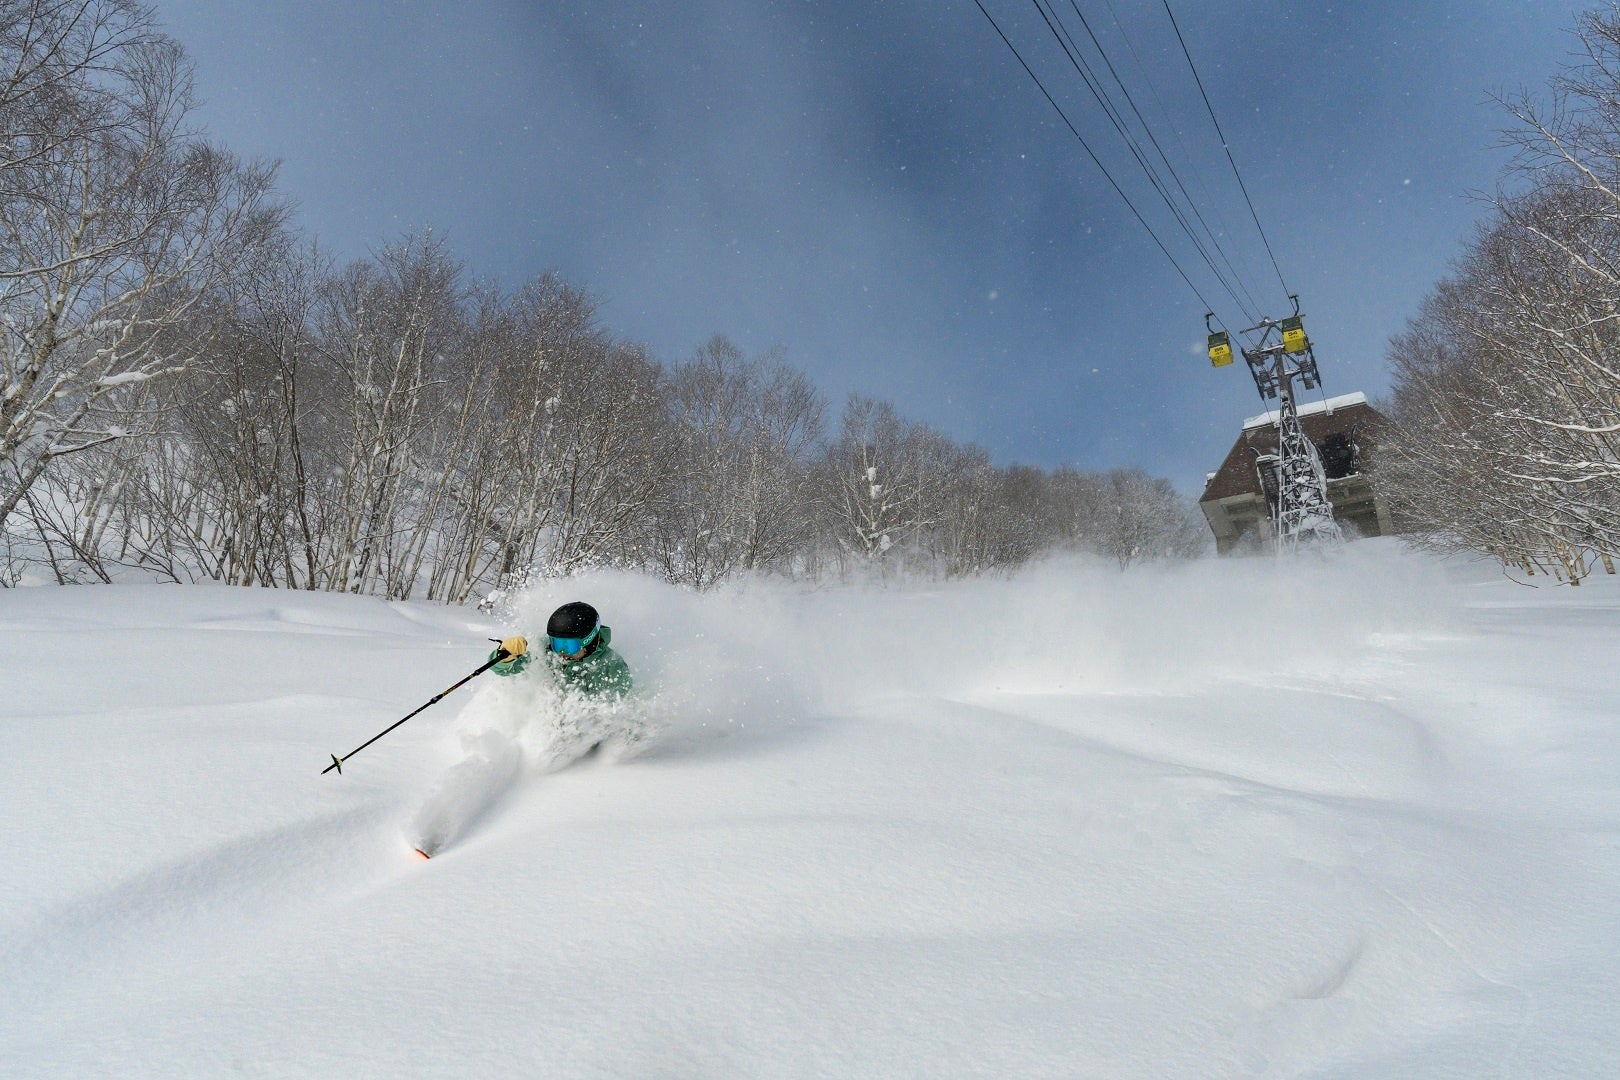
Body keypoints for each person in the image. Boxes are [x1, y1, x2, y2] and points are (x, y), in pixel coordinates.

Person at [489, 601, 632, 699]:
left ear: (588, 641)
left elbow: (618, 710)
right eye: (557, 643)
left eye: (569, 646)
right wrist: (504, 657)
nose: (561, 652)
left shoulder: (612, 667)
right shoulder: (546, 650)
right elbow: (502, 670)